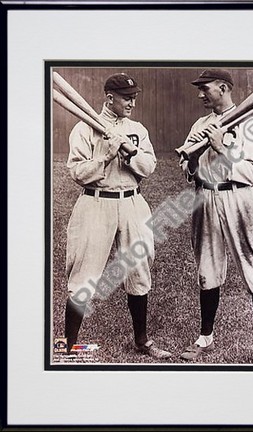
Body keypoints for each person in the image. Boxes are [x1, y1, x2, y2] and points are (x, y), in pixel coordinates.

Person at [64, 72, 171, 359]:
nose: (132, 103)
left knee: (138, 270)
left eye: (134, 97)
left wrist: (130, 153)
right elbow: (77, 172)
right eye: (127, 97)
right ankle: (70, 346)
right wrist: (105, 156)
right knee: (83, 274)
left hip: (133, 202)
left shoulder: (137, 128)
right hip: (96, 203)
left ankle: (142, 341)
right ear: (109, 97)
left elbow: (149, 167)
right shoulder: (85, 128)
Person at [179, 69, 253, 364]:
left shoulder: (251, 122)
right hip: (206, 196)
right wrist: (193, 157)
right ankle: (205, 338)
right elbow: (190, 174)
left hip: (239, 198)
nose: (200, 94)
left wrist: (221, 147)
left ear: (222, 88)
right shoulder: (201, 123)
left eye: (205, 89)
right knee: (207, 269)